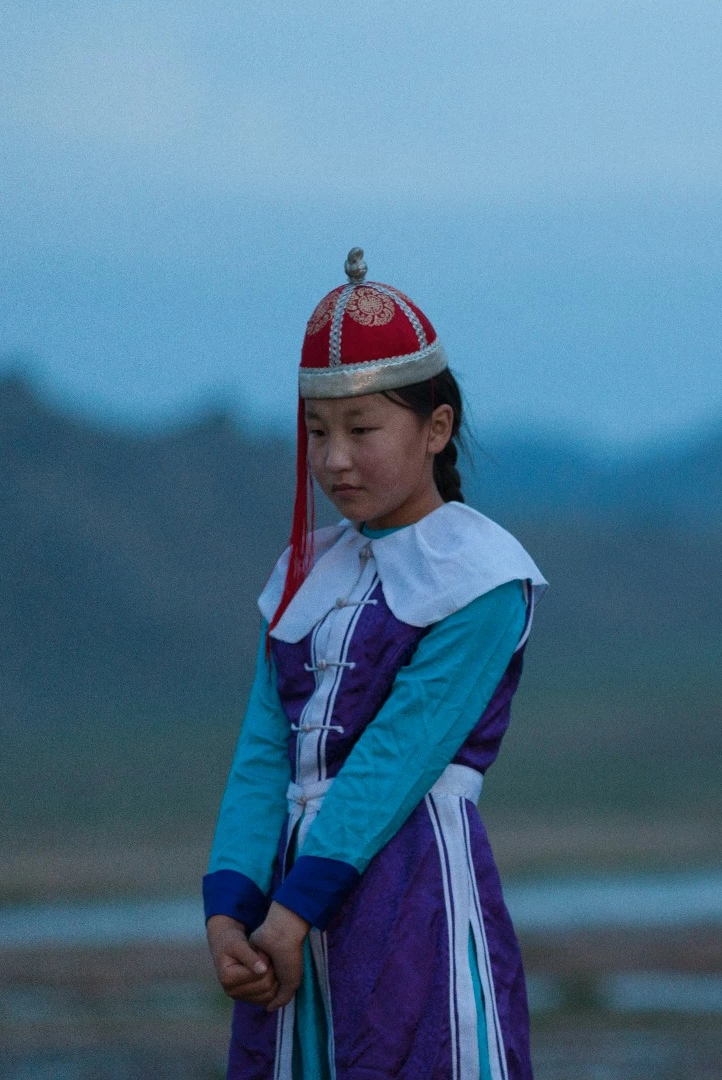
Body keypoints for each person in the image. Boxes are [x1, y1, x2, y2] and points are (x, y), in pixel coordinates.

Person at [202, 248, 545, 1079]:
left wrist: (293, 912)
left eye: (361, 430)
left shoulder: (480, 577)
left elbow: (396, 761)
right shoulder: (307, 573)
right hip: (286, 897)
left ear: (436, 428)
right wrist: (229, 909)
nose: (334, 459)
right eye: (318, 432)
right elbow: (263, 752)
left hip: (408, 882)